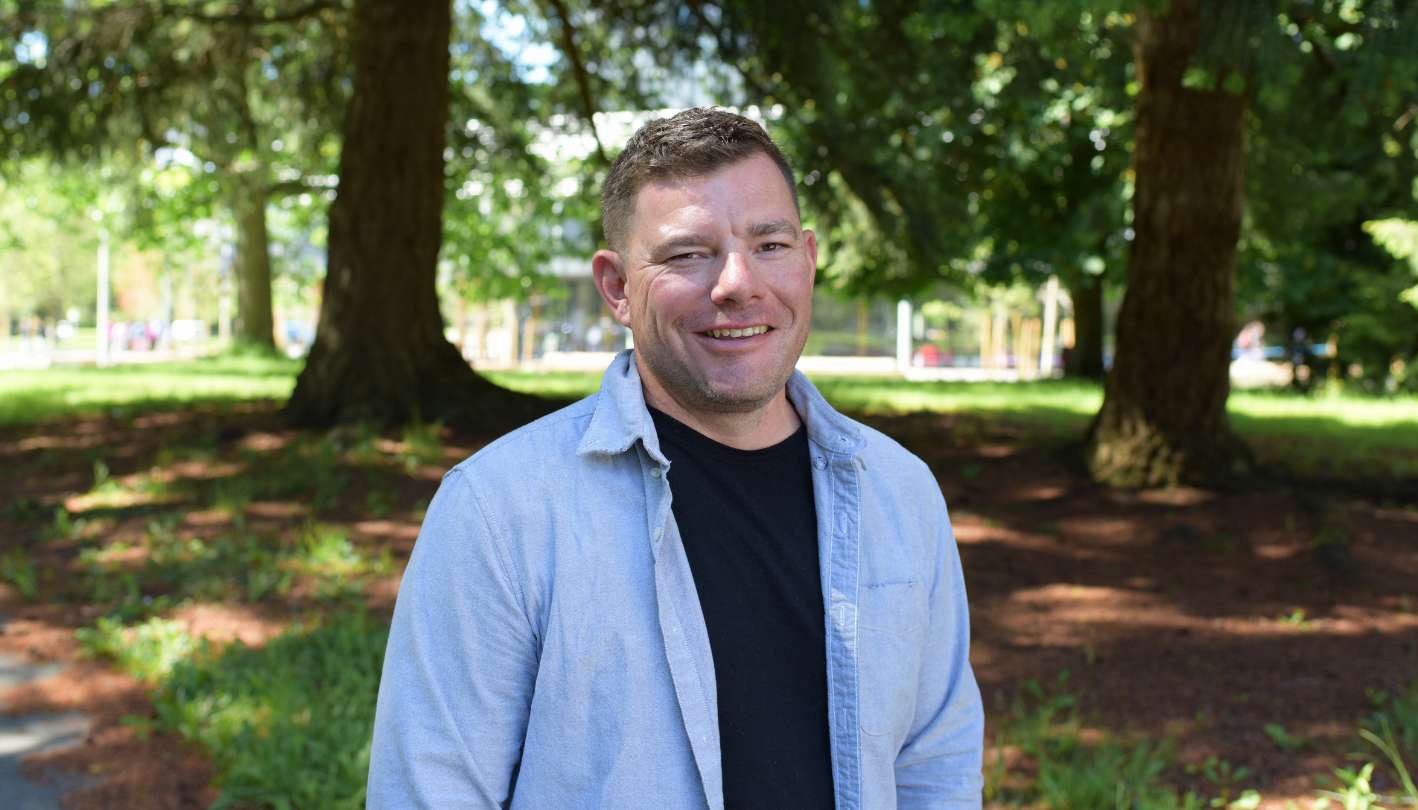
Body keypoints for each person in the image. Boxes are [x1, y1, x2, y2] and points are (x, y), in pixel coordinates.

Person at [367, 107, 984, 809]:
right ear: (616, 288)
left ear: (809, 259)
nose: (736, 283)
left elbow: (937, 764)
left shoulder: (899, 491)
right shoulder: (499, 512)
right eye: (688, 254)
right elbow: (430, 791)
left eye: (770, 244)